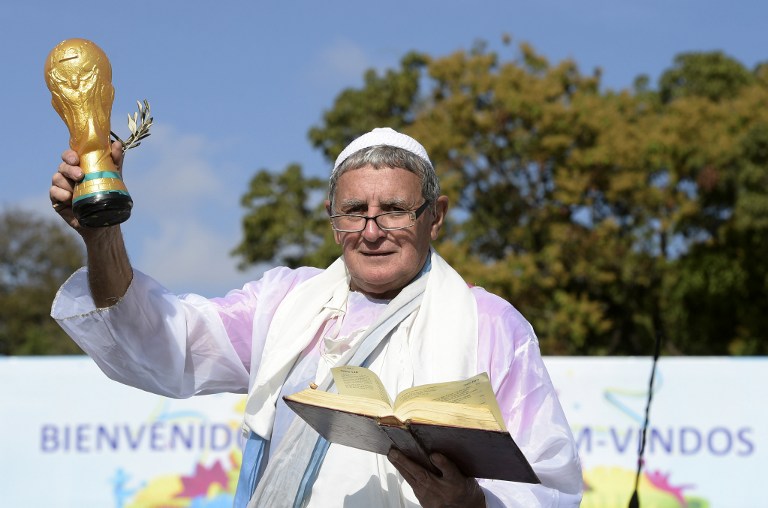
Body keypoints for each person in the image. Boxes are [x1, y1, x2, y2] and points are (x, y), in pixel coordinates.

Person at [50, 127, 583, 507]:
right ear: (333, 221)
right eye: (354, 212)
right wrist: (102, 233)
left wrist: (472, 503)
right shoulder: (286, 303)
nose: (372, 231)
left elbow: (551, 485)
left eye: (394, 210)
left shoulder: (489, 323)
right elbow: (164, 342)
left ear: (435, 217)